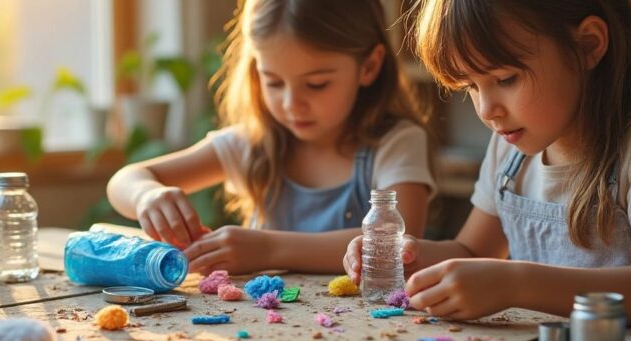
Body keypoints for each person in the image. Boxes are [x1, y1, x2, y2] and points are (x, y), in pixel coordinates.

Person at [343, 0, 631, 326]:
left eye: (506, 79)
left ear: (589, 45)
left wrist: (517, 283)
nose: (486, 109)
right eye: (470, 87)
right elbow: (473, 251)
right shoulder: (507, 151)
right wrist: (408, 259)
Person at [107, 0, 435, 275]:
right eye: (274, 82)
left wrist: (267, 249)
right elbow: (126, 179)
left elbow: (397, 242)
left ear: (369, 66)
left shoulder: (396, 143)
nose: (292, 104)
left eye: (316, 83)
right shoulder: (251, 143)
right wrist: (146, 196)